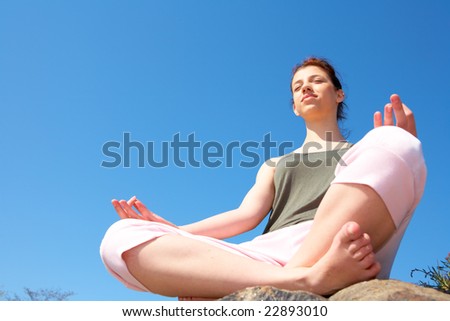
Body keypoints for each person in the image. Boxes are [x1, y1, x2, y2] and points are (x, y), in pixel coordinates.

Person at [99, 57, 426, 300]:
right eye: (298, 87)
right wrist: (172, 230)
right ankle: (303, 280)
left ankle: (274, 281)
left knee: (397, 141)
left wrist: (395, 149)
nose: (305, 88)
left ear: (339, 94)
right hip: (271, 255)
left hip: (346, 240)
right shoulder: (276, 163)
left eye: (316, 81)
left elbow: (390, 182)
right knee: (120, 238)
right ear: (295, 107)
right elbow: (245, 216)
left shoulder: (365, 151)